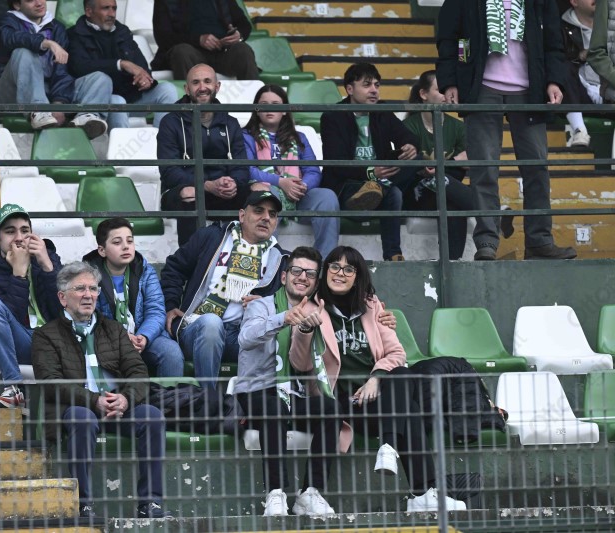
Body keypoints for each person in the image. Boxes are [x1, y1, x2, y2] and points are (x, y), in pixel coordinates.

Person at [289, 245, 467, 513]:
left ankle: (395, 455)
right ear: (326, 272)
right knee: (409, 408)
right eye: (335, 266)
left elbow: (397, 353)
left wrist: (375, 378)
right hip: (335, 401)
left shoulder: (372, 307)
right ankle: (419, 489)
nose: (340, 273)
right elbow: (299, 364)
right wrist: (304, 330)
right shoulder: (312, 308)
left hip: (372, 401)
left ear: (357, 276)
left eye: (349, 269)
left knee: (403, 376)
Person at [436, 0, 577, 260]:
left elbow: (554, 44)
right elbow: (448, 39)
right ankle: (486, 242)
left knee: (536, 168)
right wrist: (450, 82)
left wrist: (554, 80)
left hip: (530, 90)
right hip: (481, 88)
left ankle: (539, 241)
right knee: (484, 169)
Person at [31, 261, 171, 521]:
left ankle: (150, 503)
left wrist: (125, 399)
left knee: (152, 416)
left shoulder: (114, 329)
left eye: (93, 289)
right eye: (80, 289)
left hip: (117, 406)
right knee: (82, 419)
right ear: (62, 298)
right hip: (78, 408)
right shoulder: (46, 335)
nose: (88, 295)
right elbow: (50, 383)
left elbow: (139, 373)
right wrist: (94, 401)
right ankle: (83, 505)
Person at [234, 246, 340, 516]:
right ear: (284, 277)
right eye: (296, 271)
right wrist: (283, 319)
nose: (302, 277)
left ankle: (310, 493)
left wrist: (305, 329)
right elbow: (245, 338)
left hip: (295, 394)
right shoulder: (260, 305)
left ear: (315, 282)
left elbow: (304, 365)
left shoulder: (316, 313)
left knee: (330, 408)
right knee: (274, 407)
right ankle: (276, 493)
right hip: (258, 391)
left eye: (310, 274)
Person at [160, 190, 287, 387]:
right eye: (258, 211)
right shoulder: (212, 237)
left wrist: (266, 305)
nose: (266, 218)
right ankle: (207, 399)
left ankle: (254, 403)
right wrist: (171, 304)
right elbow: (174, 268)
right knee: (212, 323)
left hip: (242, 336)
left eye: (272, 214)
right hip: (198, 327)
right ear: (242, 215)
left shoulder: (280, 259)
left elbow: (287, 304)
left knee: (278, 345)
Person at [320, 63, 419, 261]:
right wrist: (371, 173)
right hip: (349, 184)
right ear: (350, 89)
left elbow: (407, 135)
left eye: (377, 85)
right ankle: (375, 192)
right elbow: (336, 163)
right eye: (367, 85)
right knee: (394, 193)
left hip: (381, 179)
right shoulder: (333, 116)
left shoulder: (382, 111)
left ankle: (393, 256)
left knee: (416, 161)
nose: (374, 90)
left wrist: (410, 146)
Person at [0, 204, 62, 408]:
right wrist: (19, 274)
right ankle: (13, 387)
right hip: (19, 343)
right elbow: (3, 323)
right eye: (10, 231)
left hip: (54, 342)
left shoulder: (49, 258)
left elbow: (64, 311)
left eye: (25, 231)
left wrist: (47, 266)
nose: (19, 238)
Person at [157, 63, 251, 246]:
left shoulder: (230, 123)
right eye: (196, 82)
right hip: (182, 191)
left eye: (207, 81)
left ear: (217, 86)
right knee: (190, 194)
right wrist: (206, 185)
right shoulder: (170, 122)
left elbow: (241, 167)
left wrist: (232, 183)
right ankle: (191, 259)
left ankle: (245, 255)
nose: (202, 87)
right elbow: (169, 172)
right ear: (187, 89)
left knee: (259, 194)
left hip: (222, 192)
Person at [0, 0, 109, 138]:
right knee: (24, 52)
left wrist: (58, 104)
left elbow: (61, 71)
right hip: (11, 94)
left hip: (47, 94)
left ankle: (86, 117)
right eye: (30, 0)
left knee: (100, 78)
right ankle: (38, 110)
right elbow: (11, 38)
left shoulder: (56, 28)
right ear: (17, 5)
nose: (39, 3)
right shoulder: (7, 21)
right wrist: (45, 43)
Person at [242, 85, 340, 258]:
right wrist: (280, 183)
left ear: (285, 110)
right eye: (264, 104)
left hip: (297, 196)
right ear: (256, 109)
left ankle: (324, 261)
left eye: (276, 104)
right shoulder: (246, 136)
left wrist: (302, 186)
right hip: (268, 192)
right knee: (269, 194)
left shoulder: (299, 137)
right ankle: (267, 259)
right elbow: (247, 170)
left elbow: (313, 170)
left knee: (327, 197)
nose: (270, 108)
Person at [82, 217, 184, 377]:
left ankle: (169, 394)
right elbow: (90, 317)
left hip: (141, 336)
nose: (126, 246)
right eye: (117, 242)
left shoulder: (145, 271)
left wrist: (144, 336)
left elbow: (156, 311)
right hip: (106, 340)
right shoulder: (87, 276)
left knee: (171, 352)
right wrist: (121, 337)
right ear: (102, 250)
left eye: (130, 241)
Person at [66, 0, 178, 130]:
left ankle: (164, 141)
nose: (111, 14)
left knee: (167, 89)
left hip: (132, 97)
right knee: (117, 101)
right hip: (102, 100)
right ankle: (120, 144)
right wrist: (120, 64)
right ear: (89, 11)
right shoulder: (74, 34)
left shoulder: (122, 31)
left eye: (114, 8)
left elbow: (141, 67)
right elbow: (79, 67)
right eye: (105, 8)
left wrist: (145, 80)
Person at [402, 70, 476, 260]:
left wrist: (437, 168)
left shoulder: (457, 127)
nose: (445, 95)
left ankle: (451, 263)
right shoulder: (409, 126)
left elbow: (468, 164)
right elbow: (416, 170)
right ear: (423, 94)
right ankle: (493, 211)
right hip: (418, 195)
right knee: (442, 182)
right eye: (439, 90)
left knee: (452, 204)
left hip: (448, 191)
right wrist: (453, 163)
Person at [151, 0, 259, 81]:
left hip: (222, 53)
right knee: (182, 51)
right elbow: (163, 38)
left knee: (243, 50)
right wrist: (198, 40)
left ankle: (253, 102)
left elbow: (244, 24)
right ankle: (190, 103)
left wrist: (238, 34)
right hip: (190, 55)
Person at [561, 0, 600, 147]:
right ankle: (579, 130)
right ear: (574, 1)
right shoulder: (561, 27)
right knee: (562, 69)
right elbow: (557, 60)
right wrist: (579, 56)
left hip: (607, 88)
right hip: (579, 92)